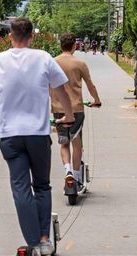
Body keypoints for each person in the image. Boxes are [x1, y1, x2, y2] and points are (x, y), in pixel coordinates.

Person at [0, 18, 75, 255]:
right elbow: (61, 89)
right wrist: (68, 114)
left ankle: (32, 240)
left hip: (10, 136)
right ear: (31, 36)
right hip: (37, 133)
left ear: (10, 36)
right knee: (42, 186)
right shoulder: (43, 57)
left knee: (20, 187)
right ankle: (45, 240)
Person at [50, 33, 101, 189]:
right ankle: (77, 178)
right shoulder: (79, 64)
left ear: (60, 45)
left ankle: (68, 172)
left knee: (64, 143)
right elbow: (90, 85)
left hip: (58, 109)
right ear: (74, 46)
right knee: (76, 143)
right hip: (76, 109)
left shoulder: (52, 63)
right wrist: (96, 100)